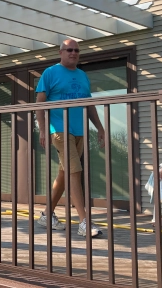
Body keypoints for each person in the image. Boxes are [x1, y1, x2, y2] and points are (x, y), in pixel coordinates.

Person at [35, 39, 106, 238]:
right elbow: (40, 103)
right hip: (59, 128)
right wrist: (43, 130)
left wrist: (99, 127)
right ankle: (84, 221)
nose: (73, 53)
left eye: (76, 50)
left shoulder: (82, 75)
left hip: (79, 130)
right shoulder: (50, 73)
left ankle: (46, 215)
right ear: (61, 52)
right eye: (69, 50)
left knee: (65, 173)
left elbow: (89, 104)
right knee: (75, 170)